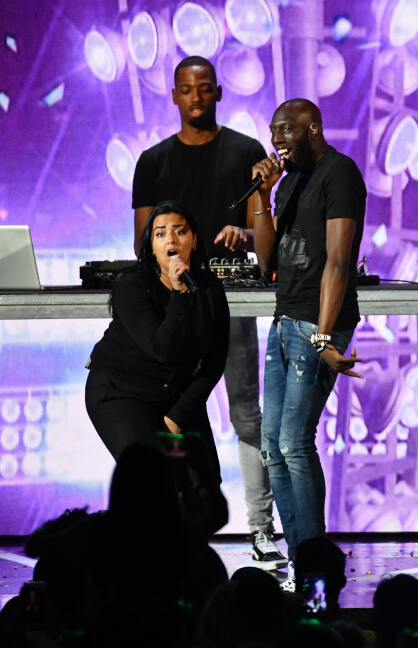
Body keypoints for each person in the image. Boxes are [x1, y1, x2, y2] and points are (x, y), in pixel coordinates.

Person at [131, 55, 286, 569]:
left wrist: (244, 231)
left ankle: (262, 528)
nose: (196, 98)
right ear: (174, 95)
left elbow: (263, 239)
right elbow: (142, 242)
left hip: (229, 304)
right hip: (172, 309)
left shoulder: (244, 151)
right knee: (170, 419)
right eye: (186, 90)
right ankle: (171, 530)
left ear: (218, 93)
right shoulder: (153, 162)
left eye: (204, 90)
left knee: (246, 415)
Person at [251, 98, 367, 590]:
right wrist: (262, 195)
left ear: (313, 127)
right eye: (273, 130)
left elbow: (338, 263)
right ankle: (303, 558)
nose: (277, 138)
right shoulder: (290, 180)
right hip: (284, 320)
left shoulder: (339, 174)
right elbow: (265, 261)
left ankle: (316, 562)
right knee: (272, 448)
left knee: (295, 444)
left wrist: (323, 336)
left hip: (316, 325)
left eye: (286, 129)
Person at [85, 200, 229, 534]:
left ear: (193, 238)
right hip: (122, 393)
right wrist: (178, 295)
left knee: (205, 486)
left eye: (180, 231)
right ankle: (101, 545)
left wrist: (177, 415)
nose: (171, 241)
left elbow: (214, 362)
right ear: (151, 246)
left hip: (174, 396)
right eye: (161, 234)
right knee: (155, 482)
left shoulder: (209, 289)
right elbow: (161, 348)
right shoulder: (133, 287)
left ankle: (189, 567)